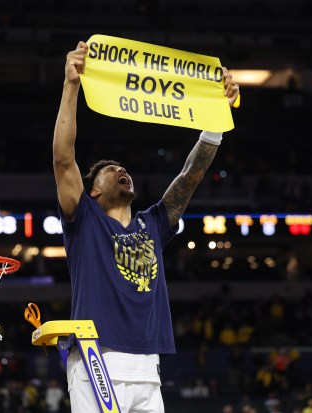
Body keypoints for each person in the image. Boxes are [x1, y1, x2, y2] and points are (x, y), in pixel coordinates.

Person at [53, 40, 239, 413]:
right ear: (93, 191)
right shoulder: (84, 220)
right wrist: (71, 85)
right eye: (111, 170)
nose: (122, 170)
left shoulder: (153, 222)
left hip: (147, 368)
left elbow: (190, 176)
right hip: (96, 359)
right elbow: (63, 157)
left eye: (124, 168)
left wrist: (215, 121)